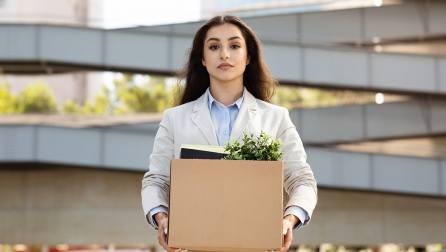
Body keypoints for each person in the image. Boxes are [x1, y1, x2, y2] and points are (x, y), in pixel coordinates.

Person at [141, 15, 317, 252]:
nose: (224, 54)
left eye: (234, 46)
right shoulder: (174, 119)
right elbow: (156, 181)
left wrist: (289, 219)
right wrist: (161, 217)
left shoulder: (276, 118)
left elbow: (303, 181)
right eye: (214, 47)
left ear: (248, 57)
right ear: (203, 59)